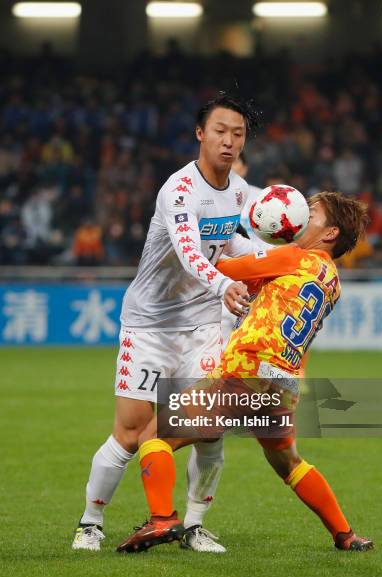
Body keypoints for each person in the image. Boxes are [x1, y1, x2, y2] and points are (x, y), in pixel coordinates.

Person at [116, 191, 374, 554]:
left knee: (152, 437)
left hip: (246, 372)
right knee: (289, 464)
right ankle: (346, 535)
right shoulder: (331, 280)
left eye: (311, 213)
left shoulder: (292, 257)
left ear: (329, 233)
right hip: (283, 384)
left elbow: (220, 272)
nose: (301, 216)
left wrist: (214, 246)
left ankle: (162, 518)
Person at [72, 93, 259, 553]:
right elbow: (189, 250)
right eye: (220, 131)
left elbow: (231, 243)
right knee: (132, 434)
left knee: (210, 427)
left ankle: (192, 526)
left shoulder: (237, 190)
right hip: (149, 325)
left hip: (201, 325)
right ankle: (90, 521)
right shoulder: (178, 190)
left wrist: (282, 261)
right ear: (200, 134)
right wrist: (224, 287)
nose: (229, 141)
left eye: (237, 134)